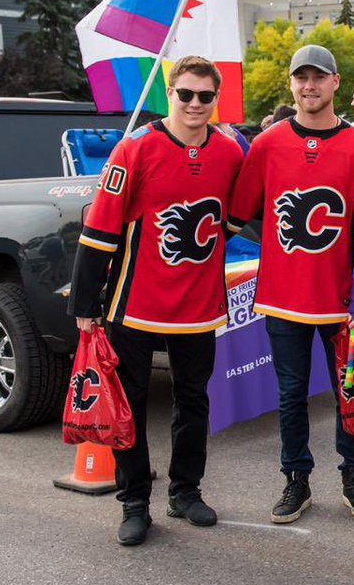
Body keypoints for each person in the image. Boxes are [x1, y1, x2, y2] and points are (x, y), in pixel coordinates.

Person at [69, 55, 243, 546]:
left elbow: (235, 216)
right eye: (184, 94)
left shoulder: (230, 153)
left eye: (204, 96)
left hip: (198, 306)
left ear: (215, 99)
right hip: (135, 304)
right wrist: (85, 304)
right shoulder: (135, 148)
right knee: (132, 405)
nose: (193, 104)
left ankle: (186, 492)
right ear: (169, 93)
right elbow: (100, 229)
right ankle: (134, 503)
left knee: (193, 401)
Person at [227, 45, 354, 525]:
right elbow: (234, 216)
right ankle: (296, 478)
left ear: (336, 82)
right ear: (291, 84)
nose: (309, 86)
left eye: (318, 77)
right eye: (301, 78)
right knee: (290, 394)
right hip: (284, 295)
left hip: (341, 301)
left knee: (347, 393)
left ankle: (353, 474)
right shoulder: (269, 143)